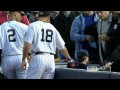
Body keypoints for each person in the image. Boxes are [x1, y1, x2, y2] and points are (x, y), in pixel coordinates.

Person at [21, 11, 71, 79]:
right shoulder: (52, 27)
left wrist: (24, 59)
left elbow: (27, 46)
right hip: (50, 60)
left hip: (37, 58)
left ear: (38, 16)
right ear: (48, 17)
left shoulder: (33, 25)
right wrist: (69, 58)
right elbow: (62, 47)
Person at [0, 11, 28, 79]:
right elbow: (29, 44)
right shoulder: (24, 27)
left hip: (6, 59)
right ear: (15, 14)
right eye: (20, 15)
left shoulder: (1, 27)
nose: (21, 17)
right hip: (21, 57)